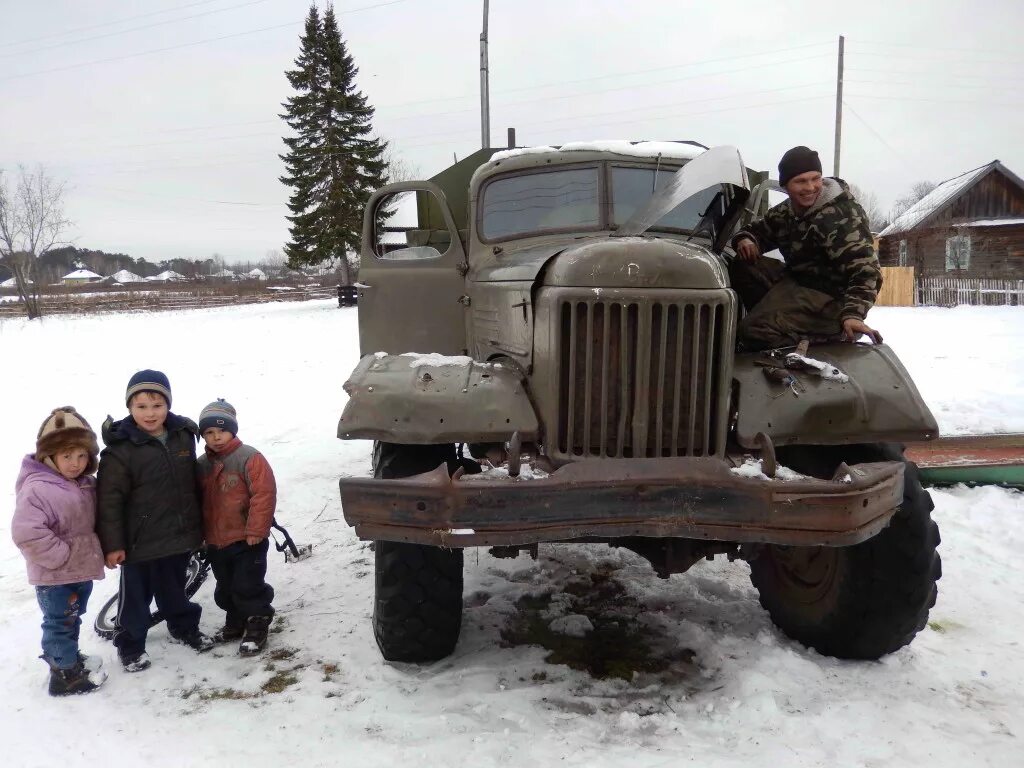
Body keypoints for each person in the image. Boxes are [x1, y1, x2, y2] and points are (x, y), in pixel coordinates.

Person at [96, 370, 214, 672]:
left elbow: (190, 486)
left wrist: (198, 528)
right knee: (135, 599)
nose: (150, 413)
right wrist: (113, 545)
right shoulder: (120, 451)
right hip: (139, 543)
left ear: (168, 405)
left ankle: (184, 627)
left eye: (157, 405)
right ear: (129, 408)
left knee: (175, 589)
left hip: (177, 535)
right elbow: (109, 502)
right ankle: (131, 646)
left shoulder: (183, 435)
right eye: (141, 406)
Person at [729, 145, 884, 350]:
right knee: (741, 265)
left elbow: (867, 271)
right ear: (785, 186)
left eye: (815, 178)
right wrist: (745, 239)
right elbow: (758, 230)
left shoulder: (840, 217)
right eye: (801, 181)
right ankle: (774, 318)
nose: (810, 187)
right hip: (799, 283)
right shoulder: (788, 211)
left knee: (753, 331)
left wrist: (853, 315)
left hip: (830, 299)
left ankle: (808, 338)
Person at [12, 406, 108, 696]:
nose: (76, 463)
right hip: (54, 576)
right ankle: (63, 675)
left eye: (82, 455)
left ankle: (69, 658)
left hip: (78, 570)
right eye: (67, 456)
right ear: (49, 456)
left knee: (72, 617)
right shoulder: (38, 488)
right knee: (59, 622)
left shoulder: (84, 484)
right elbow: (27, 533)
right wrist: (61, 556)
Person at [196, 399, 277, 656]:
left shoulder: (249, 458)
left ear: (233, 430)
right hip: (217, 541)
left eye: (221, 430)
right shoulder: (201, 465)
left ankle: (257, 622)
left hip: (247, 538)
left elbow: (263, 495)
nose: (216, 437)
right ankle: (236, 619)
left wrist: (257, 530)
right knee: (226, 586)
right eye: (209, 432)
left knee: (248, 585)